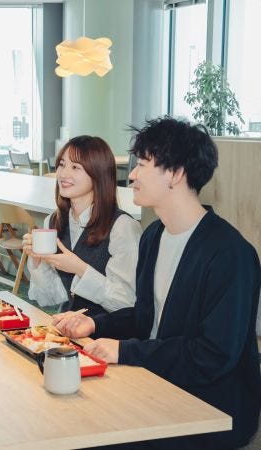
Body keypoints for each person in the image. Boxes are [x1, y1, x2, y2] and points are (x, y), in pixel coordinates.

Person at [54, 118, 261, 449]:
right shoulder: (154, 235)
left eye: (143, 164)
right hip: (156, 378)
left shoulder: (229, 254)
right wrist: (94, 323)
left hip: (212, 404)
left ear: (175, 174)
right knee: (64, 411)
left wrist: (125, 350)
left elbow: (212, 355)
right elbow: (144, 317)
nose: (132, 175)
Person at [22, 135, 141, 317]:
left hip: (106, 332)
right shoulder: (53, 221)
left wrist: (80, 269)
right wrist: (37, 260)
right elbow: (50, 298)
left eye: (75, 167)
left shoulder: (122, 226)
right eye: (62, 164)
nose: (63, 174)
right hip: (66, 326)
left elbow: (126, 303)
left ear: (98, 174)